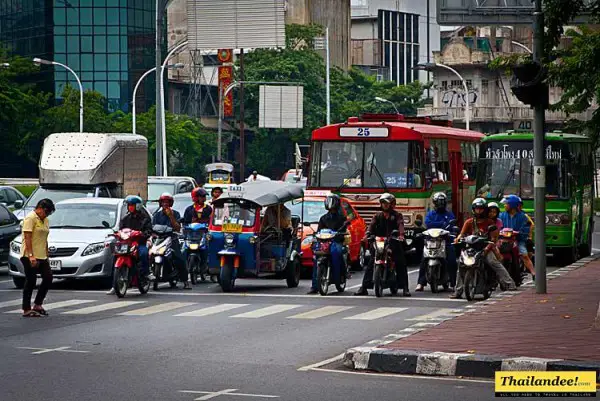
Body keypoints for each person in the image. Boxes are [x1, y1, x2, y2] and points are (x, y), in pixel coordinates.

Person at [451, 198, 516, 299]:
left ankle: (509, 283)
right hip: (471, 249)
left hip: (485, 248)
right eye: (477, 209)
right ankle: (458, 291)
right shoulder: (469, 222)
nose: (479, 211)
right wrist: (458, 239)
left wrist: (487, 248)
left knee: (493, 262)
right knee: (461, 265)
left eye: (481, 209)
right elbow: (461, 234)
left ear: (484, 209)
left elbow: (494, 239)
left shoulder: (490, 222)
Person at [355, 193, 410, 297]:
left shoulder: (397, 216)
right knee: (371, 262)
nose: (385, 205)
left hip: (393, 243)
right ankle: (364, 287)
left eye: (387, 203)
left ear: (392, 204)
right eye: (383, 203)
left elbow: (400, 225)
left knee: (401, 262)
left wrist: (401, 235)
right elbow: (371, 227)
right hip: (379, 243)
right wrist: (367, 235)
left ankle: (405, 288)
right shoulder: (377, 216)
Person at [107, 195, 153, 295]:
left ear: (138, 206)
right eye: (129, 205)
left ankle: (146, 273)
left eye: (132, 205)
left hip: (139, 243)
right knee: (115, 257)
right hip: (126, 243)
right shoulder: (126, 218)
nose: (130, 207)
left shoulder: (145, 218)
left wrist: (143, 234)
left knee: (143, 253)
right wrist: (117, 233)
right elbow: (121, 229)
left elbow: (149, 231)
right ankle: (114, 285)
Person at [415, 192, 457, 292]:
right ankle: (421, 283)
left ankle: (453, 283)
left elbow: (450, 225)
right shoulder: (430, 214)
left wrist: (449, 229)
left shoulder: (449, 214)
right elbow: (428, 224)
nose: (440, 204)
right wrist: (442, 224)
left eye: (442, 202)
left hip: (445, 241)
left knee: (452, 260)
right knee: (424, 259)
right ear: (434, 203)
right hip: (431, 241)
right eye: (438, 202)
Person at [21, 199, 55, 317]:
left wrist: (46, 254)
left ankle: (38, 304)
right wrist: (31, 255)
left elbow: (44, 238)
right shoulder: (30, 218)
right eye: (46, 212)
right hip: (29, 255)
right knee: (31, 280)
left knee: (48, 277)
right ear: (40, 208)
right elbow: (27, 237)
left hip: (42, 255)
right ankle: (26, 308)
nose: (46, 215)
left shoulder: (45, 220)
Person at [307, 195, 347, 295]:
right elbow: (319, 231)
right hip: (324, 242)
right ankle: (315, 285)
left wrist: (340, 233)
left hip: (336, 242)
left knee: (335, 253)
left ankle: (338, 277)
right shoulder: (323, 218)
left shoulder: (342, 218)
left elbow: (344, 230)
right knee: (316, 258)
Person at [152, 193, 191, 290]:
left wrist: (171, 216)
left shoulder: (176, 213)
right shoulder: (157, 215)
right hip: (159, 239)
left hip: (172, 238)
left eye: (167, 202)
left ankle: (185, 281)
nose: (165, 204)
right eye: (163, 202)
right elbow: (152, 227)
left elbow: (177, 228)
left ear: (170, 203)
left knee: (179, 258)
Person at [500, 194, 535, 280]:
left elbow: (527, 227)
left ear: (512, 205)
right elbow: (498, 226)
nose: (505, 205)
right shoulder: (501, 215)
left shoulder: (523, 216)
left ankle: (534, 273)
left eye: (506, 204)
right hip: (504, 240)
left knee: (524, 255)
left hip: (518, 240)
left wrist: (520, 233)